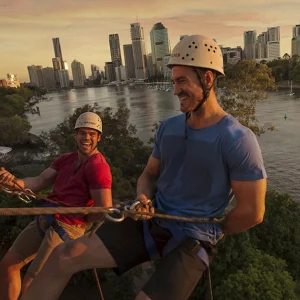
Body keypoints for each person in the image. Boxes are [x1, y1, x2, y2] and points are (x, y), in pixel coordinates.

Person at [21, 35, 267, 300]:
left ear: (208, 79)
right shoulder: (169, 128)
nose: (175, 90)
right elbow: (149, 174)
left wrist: (215, 230)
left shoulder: (238, 140)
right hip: (153, 220)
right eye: (174, 82)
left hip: (195, 236)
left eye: (182, 81)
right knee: (64, 255)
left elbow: (253, 212)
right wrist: (143, 197)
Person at [0, 112, 113, 300]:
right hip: (48, 217)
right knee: (8, 265)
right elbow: (38, 181)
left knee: (33, 283)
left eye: (92, 134)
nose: (86, 138)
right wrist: (11, 182)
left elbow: (103, 209)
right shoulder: (65, 159)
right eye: (82, 133)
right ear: (75, 135)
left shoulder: (98, 167)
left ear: (98, 137)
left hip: (68, 227)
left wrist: (81, 220)